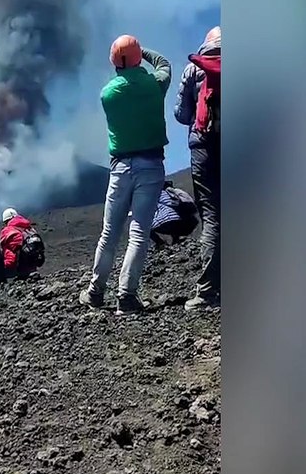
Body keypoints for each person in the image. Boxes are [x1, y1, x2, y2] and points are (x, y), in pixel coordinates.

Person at [80, 34, 172, 315]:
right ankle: (126, 297)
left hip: (120, 169)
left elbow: (121, 72)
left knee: (109, 233)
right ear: (136, 58)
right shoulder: (155, 85)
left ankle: (96, 292)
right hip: (151, 167)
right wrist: (138, 51)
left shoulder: (108, 94)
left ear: (114, 62)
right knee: (139, 232)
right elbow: (164, 63)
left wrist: (123, 54)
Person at [174, 25, 221, 309]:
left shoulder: (193, 70)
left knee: (212, 216)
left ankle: (208, 292)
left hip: (203, 147)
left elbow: (181, 115)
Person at [0, 207, 46, 279]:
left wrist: (4, 267)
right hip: (34, 265)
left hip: (21, 268)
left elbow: (10, 252)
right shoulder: (30, 229)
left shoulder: (8, 230)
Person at [151, 181, 199, 247]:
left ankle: (160, 243)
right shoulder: (171, 192)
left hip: (159, 225)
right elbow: (189, 202)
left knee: (142, 225)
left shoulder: (150, 197)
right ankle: (176, 239)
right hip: (177, 221)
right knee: (175, 216)